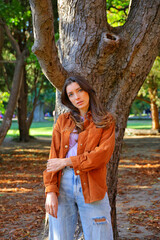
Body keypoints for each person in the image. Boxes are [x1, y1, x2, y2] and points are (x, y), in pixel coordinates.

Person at [43, 75, 115, 240]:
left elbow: (101, 156)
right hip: (63, 183)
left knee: (100, 236)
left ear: (88, 90)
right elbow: (53, 158)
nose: (77, 97)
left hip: (92, 184)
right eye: (71, 94)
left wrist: (67, 161)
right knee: (59, 237)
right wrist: (50, 191)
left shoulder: (105, 120)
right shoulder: (62, 121)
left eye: (79, 90)